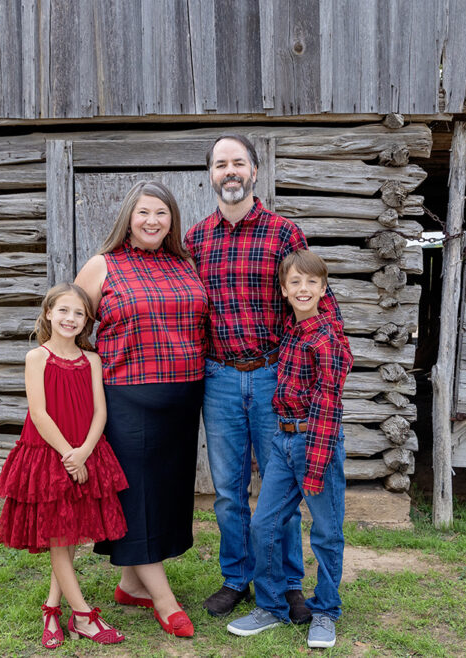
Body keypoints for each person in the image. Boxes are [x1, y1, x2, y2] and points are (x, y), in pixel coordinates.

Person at [184, 134, 343, 622]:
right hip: (221, 377)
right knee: (230, 490)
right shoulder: (195, 239)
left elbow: (315, 294)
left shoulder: (283, 233)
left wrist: (332, 351)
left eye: (238, 163)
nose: (229, 171)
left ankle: (288, 583)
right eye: (220, 164)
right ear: (210, 175)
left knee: (282, 486)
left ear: (255, 171)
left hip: (275, 373)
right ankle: (236, 578)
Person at [74, 180, 208, 638]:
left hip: (184, 396)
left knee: (166, 495)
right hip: (127, 399)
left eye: (162, 213)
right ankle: (164, 601)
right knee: (138, 498)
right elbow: (73, 326)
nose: (153, 221)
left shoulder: (185, 265)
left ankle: (132, 585)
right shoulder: (102, 266)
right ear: (128, 217)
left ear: (172, 220)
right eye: (144, 212)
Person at [227, 249, 352, 649]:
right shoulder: (292, 330)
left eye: (311, 282)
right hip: (281, 440)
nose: (303, 289)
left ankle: (326, 611)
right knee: (264, 524)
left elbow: (329, 404)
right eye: (295, 282)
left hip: (316, 442)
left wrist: (314, 464)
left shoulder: (327, 338)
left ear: (323, 289)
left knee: (326, 532)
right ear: (283, 289)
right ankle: (271, 605)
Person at [0, 283, 128, 648]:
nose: (70, 319)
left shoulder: (92, 360)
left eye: (79, 313)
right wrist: (69, 455)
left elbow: (101, 411)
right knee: (57, 535)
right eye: (64, 311)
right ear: (49, 312)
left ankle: (52, 609)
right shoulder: (36, 357)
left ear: (87, 321)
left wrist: (84, 451)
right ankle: (83, 616)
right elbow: (38, 413)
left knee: (69, 532)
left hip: (86, 450)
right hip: (48, 454)